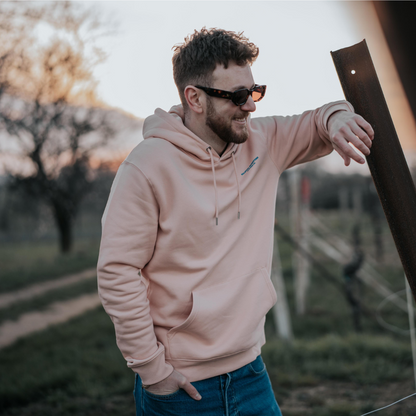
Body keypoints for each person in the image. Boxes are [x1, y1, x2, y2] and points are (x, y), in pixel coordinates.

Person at [97, 28, 374, 416]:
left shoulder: (263, 141)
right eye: (238, 96)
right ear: (194, 98)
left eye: (255, 91)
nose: (251, 107)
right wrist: (152, 370)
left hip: (251, 373)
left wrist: (339, 118)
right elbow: (117, 271)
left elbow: (319, 118)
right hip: (181, 387)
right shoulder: (145, 167)